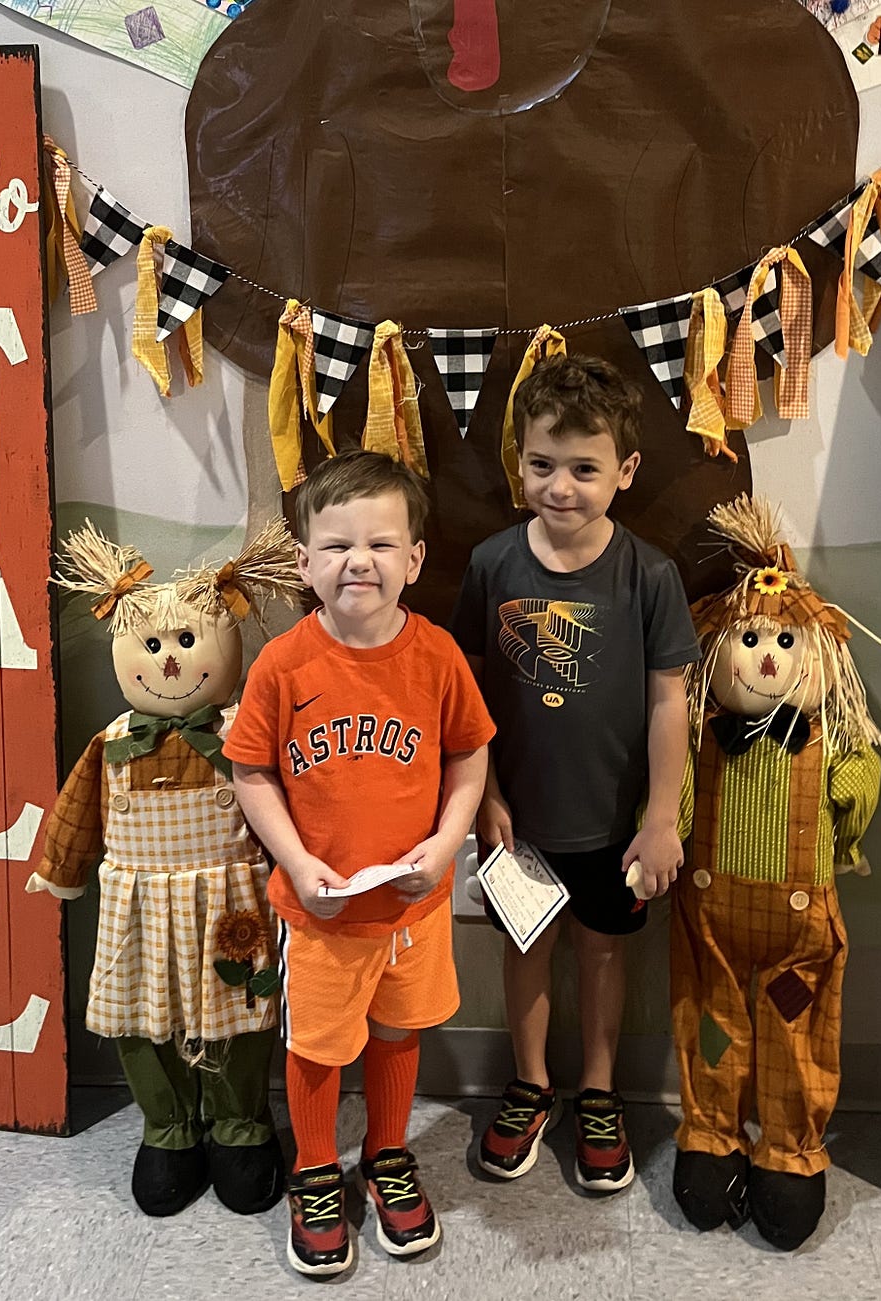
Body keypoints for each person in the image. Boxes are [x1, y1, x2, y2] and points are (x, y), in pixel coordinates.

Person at [225, 450, 494, 1277]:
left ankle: (385, 1154)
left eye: (381, 544)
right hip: (321, 908)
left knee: (395, 1030)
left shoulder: (439, 656)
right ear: (303, 561)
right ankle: (313, 1168)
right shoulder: (283, 663)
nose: (359, 561)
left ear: (414, 559)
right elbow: (251, 769)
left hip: (414, 905)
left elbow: (469, 760)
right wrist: (299, 862)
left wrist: (447, 845)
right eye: (337, 545)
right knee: (318, 1043)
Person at [451, 353, 699, 1193]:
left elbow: (671, 703)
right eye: (543, 464)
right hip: (513, 819)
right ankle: (530, 1082)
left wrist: (660, 816)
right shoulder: (490, 566)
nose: (561, 486)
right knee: (526, 951)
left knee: (601, 954)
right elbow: (469, 696)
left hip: (614, 821)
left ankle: (599, 1089)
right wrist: (483, 794)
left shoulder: (649, 575)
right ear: (516, 462)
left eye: (585, 468)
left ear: (624, 471)